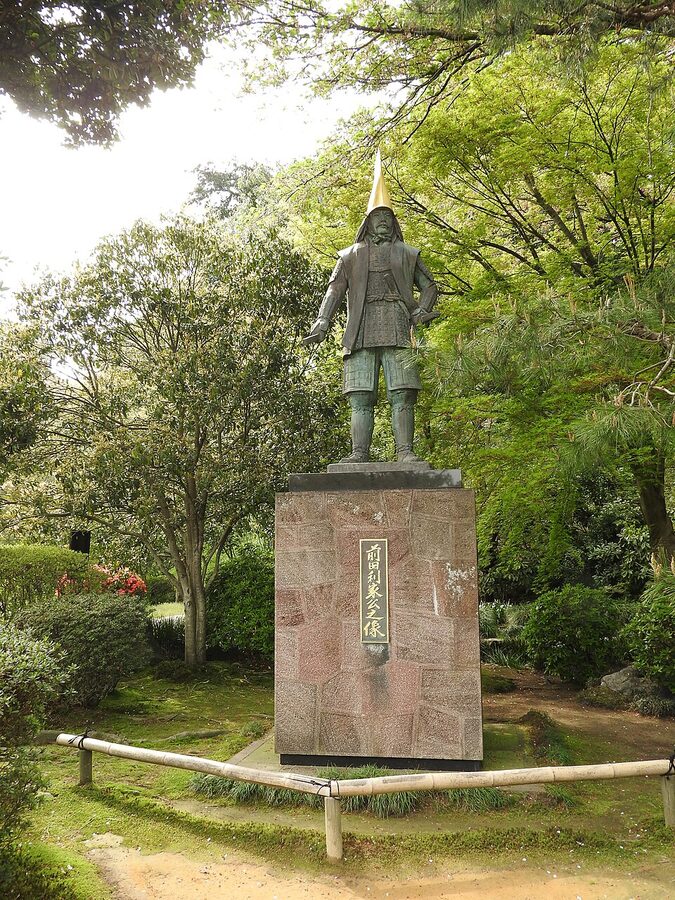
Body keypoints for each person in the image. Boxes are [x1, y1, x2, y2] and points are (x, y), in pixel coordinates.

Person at [304, 152, 438, 464]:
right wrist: (323, 320)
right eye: (378, 217)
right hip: (361, 328)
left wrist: (422, 310)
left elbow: (430, 285)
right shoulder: (349, 256)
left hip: (397, 323)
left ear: (394, 222)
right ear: (368, 222)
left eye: (388, 217)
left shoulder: (407, 253)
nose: (383, 222)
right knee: (360, 394)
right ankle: (358, 453)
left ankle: (405, 451)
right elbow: (335, 289)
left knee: (402, 391)